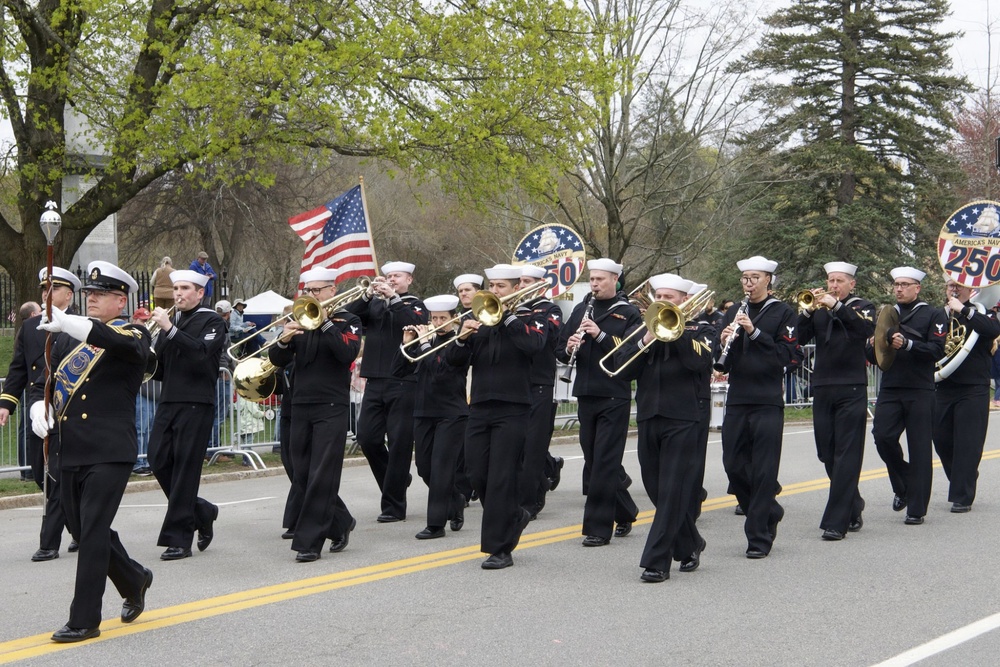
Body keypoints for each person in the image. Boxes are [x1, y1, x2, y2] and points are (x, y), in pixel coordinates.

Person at [30, 260, 152, 643]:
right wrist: (38, 406)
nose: (92, 299)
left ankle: (84, 619)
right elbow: (44, 381)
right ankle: (134, 578)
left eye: (100, 295)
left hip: (108, 449)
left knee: (93, 531)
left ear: (121, 300)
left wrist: (67, 323)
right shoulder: (68, 337)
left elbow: (111, 341)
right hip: (71, 449)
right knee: (80, 528)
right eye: (89, 295)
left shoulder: (134, 334)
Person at [447, 264, 546, 569]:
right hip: (479, 405)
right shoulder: (478, 318)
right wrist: (462, 339)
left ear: (517, 288)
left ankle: (499, 548)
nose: (494, 291)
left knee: (502, 476)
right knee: (477, 473)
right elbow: (454, 364)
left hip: (513, 406)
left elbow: (535, 345)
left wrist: (509, 318)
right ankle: (513, 517)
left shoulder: (531, 318)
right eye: (492, 285)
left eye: (501, 286)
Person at [614, 273, 712, 582]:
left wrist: (675, 330)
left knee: (671, 491)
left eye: (669, 298)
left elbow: (702, 363)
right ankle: (691, 542)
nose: (663, 302)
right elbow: (621, 370)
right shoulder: (642, 330)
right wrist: (645, 339)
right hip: (648, 416)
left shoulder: (701, 329)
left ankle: (656, 561)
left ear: (684, 300)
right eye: (660, 297)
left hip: (684, 417)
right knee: (656, 489)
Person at [269, 267, 362, 561]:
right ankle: (341, 521)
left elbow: (347, 353)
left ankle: (309, 542)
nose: (310, 296)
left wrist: (323, 324)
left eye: (317, 291)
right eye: (307, 291)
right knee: (302, 473)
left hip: (331, 406)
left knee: (322, 473)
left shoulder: (349, 320)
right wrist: (283, 340)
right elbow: (278, 360)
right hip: (300, 404)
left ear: (332, 291)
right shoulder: (299, 320)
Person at [715, 255, 800, 558]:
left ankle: (759, 538)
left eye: (754, 278)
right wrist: (724, 339)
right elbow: (718, 353)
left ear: (768, 281)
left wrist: (754, 332)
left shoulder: (783, 313)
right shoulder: (733, 313)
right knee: (733, 465)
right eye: (744, 278)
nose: (748, 283)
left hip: (766, 399)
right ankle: (769, 511)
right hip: (738, 398)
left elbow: (788, 356)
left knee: (764, 471)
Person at [556, 258, 641, 547]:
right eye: (592, 279)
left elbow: (632, 352)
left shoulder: (628, 313)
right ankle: (626, 511)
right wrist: (568, 346)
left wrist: (601, 335)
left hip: (614, 394)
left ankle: (597, 528)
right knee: (593, 461)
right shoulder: (582, 309)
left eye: (600, 279)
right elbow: (559, 347)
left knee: (605, 462)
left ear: (615, 280)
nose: (594, 284)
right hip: (586, 392)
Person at [147, 268, 227, 560]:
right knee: (157, 458)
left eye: (184, 288)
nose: (178, 294)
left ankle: (179, 539)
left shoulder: (213, 320)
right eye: (176, 288)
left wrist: (169, 329)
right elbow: (159, 369)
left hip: (197, 403)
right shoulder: (173, 322)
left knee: (185, 470)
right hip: (169, 401)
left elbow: (201, 353)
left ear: (199, 292)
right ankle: (202, 510)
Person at [1, 268, 79, 561]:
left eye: (52, 289)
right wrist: (6, 404)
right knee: (38, 470)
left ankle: (49, 543)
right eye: (43, 290)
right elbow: (19, 369)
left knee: (56, 476)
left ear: (68, 295)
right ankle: (81, 528)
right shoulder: (30, 329)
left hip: (70, 411)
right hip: (38, 407)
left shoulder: (79, 325)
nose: (46, 294)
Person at [797, 262, 875, 540]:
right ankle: (853, 504)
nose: (833, 285)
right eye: (830, 280)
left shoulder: (862, 306)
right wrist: (807, 312)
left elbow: (863, 329)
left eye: (839, 281)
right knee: (827, 452)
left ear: (851, 284)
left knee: (847, 454)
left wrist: (838, 307)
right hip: (823, 385)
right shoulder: (819, 310)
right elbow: (797, 336)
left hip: (852, 387)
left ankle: (836, 522)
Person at [345, 261, 427, 522]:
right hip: (375, 379)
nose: (391, 280)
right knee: (367, 438)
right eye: (389, 275)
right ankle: (398, 479)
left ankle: (393, 505)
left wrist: (393, 299)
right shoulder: (376, 303)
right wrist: (368, 295)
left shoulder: (415, 304)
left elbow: (414, 325)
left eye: (397, 276)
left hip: (403, 380)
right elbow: (348, 316)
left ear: (409, 280)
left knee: (400, 443)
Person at [866, 267, 947, 525]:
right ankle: (904, 484)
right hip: (891, 387)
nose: (899, 289)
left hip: (920, 389)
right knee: (882, 436)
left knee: (920, 448)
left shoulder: (933, 314)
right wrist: (871, 345)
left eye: (904, 284)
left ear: (917, 287)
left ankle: (916, 509)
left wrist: (909, 344)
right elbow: (875, 358)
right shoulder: (887, 315)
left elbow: (937, 350)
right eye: (896, 284)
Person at [395, 294, 471, 539]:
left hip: (451, 413)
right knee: (424, 468)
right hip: (424, 410)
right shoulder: (424, 341)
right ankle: (456, 499)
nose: (438, 322)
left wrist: (425, 344)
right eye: (434, 318)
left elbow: (440, 371)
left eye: (443, 318)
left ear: (454, 318)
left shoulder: (460, 341)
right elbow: (398, 370)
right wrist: (406, 343)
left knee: (440, 469)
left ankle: (436, 525)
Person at [932, 278, 999, 513]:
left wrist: (964, 311)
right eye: (951, 285)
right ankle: (965, 476)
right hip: (944, 386)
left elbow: (993, 330)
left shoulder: (983, 313)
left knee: (968, 443)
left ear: (971, 290)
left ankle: (962, 495)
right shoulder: (939, 315)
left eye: (959, 285)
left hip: (973, 387)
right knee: (941, 440)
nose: (954, 288)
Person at [515, 265, 563, 519]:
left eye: (527, 281)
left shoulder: (550, 310)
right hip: (514, 384)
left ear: (541, 285)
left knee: (533, 445)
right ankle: (543, 479)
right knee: (517, 444)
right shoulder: (511, 308)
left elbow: (544, 338)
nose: (522, 285)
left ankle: (529, 502)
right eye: (520, 281)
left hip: (539, 382)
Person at [451, 273, 484, 503]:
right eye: (461, 291)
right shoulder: (458, 317)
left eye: (468, 290)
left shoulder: (485, 313)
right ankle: (466, 486)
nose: (463, 294)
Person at [131, 307, 157, 475]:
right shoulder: (132, 335)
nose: (145, 324)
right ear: (135, 320)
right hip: (141, 388)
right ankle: (138, 462)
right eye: (142, 320)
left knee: (150, 428)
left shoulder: (154, 335)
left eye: (147, 321)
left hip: (153, 389)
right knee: (141, 427)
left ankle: (147, 459)